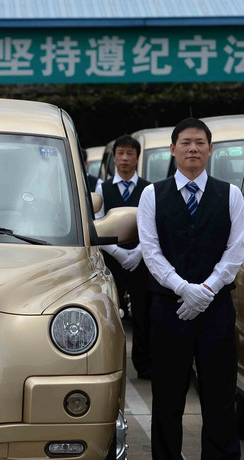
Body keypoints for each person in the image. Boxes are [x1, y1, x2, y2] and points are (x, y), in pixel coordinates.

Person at [137, 118, 244, 460]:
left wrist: (207, 291)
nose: (193, 149)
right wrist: (184, 289)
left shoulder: (230, 193)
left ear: (210, 149)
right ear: (172, 149)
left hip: (216, 308)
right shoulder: (153, 194)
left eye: (200, 143)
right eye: (185, 143)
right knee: (168, 394)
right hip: (170, 308)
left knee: (220, 393)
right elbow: (150, 251)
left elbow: (236, 251)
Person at [96, 135, 152, 379]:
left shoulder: (148, 189)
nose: (125, 158)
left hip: (142, 260)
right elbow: (96, 223)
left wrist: (138, 253)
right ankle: (108, 362)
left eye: (130, 153)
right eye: (121, 153)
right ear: (114, 158)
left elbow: (153, 226)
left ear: (138, 157)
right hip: (112, 260)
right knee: (110, 314)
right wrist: (119, 253)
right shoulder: (102, 188)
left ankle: (144, 365)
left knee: (143, 314)